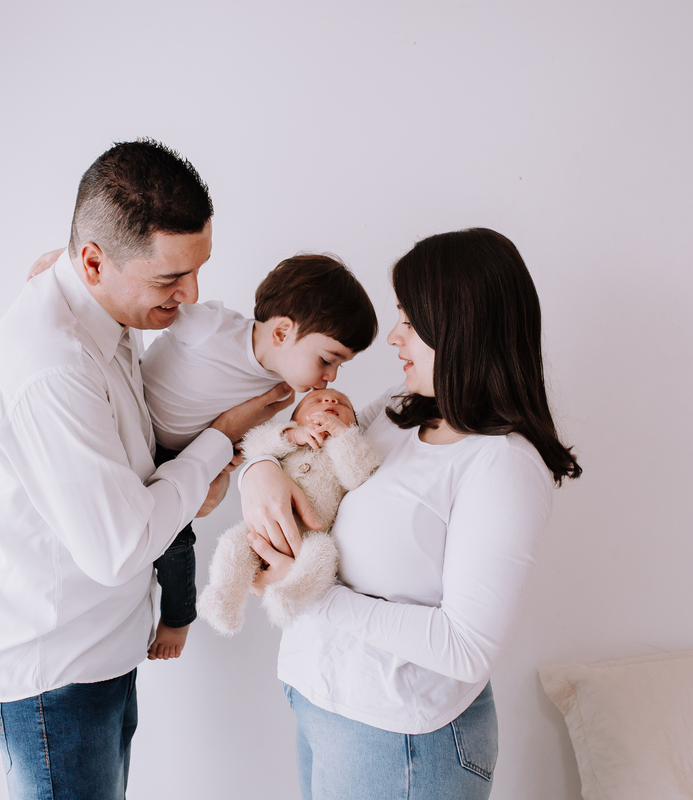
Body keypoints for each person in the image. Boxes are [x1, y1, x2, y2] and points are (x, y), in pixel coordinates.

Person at [0, 139, 294, 800]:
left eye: (197, 271)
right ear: (93, 262)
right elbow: (119, 548)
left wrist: (188, 487)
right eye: (171, 279)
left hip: (99, 652)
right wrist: (218, 440)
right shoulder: (53, 367)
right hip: (56, 677)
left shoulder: (99, 296)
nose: (191, 295)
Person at [239, 228, 583, 800]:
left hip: (401, 740)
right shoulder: (399, 410)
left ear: (460, 327)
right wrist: (258, 470)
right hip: (320, 700)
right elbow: (302, 451)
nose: (395, 337)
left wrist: (309, 590)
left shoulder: (502, 465)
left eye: (410, 321)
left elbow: (465, 647)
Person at [24, 252, 379, 658]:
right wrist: (67, 265)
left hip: (179, 458)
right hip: (127, 429)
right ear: (282, 332)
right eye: (328, 360)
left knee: (176, 548)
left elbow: (248, 440)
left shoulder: (278, 393)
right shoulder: (213, 328)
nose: (330, 378)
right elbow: (144, 301)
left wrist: (231, 460)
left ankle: (178, 619)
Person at [197, 388, 381, 635]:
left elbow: (359, 475)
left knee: (323, 553)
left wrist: (342, 435)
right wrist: (292, 435)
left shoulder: (349, 450)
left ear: (355, 427)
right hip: (261, 532)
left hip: (309, 538)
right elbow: (253, 443)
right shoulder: (287, 443)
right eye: (315, 401)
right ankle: (224, 598)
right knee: (234, 543)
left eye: (343, 405)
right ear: (295, 420)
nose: (330, 401)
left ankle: (289, 594)